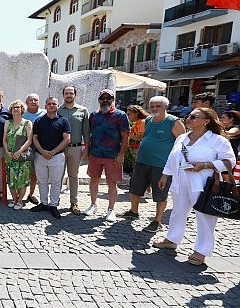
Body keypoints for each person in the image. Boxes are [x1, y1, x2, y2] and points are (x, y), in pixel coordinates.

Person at [152, 108, 235, 265]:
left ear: (206, 121)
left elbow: (229, 162)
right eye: (188, 116)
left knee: (205, 216)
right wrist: (165, 175)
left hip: (203, 182)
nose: (188, 118)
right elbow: (172, 157)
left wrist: (205, 165)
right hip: (180, 180)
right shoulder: (182, 138)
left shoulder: (218, 140)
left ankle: (201, 250)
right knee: (178, 211)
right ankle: (172, 238)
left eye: (193, 116)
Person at [117, 96, 185, 232]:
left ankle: (157, 221)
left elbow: (183, 143)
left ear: (166, 106)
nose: (154, 109)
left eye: (158, 106)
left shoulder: (174, 122)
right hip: (142, 161)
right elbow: (145, 136)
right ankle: (133, 212)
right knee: (135, 188)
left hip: (162, 164)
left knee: (160, 193)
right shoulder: (148, 120)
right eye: (152, 106)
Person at [83, 89, 130, 222]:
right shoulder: (93, 115)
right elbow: (89, 134)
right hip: (95, 154)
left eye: (108, 98)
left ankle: (111, 209)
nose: (105, 100)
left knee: (112, 183)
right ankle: (93, 205)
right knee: (94, 180)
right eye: (102, 98)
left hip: (113, 155)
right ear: (98, 100)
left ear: (112, 100)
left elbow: (125, 137)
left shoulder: (120, 115)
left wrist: (121, 155)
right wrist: (86, 150)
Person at [31, 97, 71, 219]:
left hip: (57, 156)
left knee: (55, 182)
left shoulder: (63, 121)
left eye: (54, 104)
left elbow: (67, 139)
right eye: (49, 104)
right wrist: (43, 151)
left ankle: (53, 205)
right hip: (40, 156)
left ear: (58, 106)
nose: (52, 105)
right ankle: (43, 203)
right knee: (42, 181)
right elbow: (34, 138)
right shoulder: (39, 121)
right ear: (45, 105)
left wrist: (53, 152)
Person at [58, 86, 90, 215]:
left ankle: (74, 202)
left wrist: (86, 148)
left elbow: (86, 132)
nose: (69, 95)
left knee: (73, 176)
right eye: (66, 93)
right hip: (59, 149)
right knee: (57, 176)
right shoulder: (58, 110)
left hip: (75, 148)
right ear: (63, 95)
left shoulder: (83, 110)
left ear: (75, 95)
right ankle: (55, 201)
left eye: (71, 93)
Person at [2, 99, 32, 209]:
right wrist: (6, 151)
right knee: (10, 179)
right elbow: (4, 139)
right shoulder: (7, 123)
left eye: (18, 107)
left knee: (22, 179)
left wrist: (19, 151)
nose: (15, 109)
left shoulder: (27, 123)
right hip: (9, 156)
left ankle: (20, 200)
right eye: (13, 107)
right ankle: (14, 198)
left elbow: (29, 140)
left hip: (22, 155)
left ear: (22, 109)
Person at [22, 93, 46, 205]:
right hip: (25, 147)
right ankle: (20, 194)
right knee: (23, 171)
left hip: (41, 147)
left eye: (35, 100)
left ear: (39, 102)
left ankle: (31, 194)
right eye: (30, 100)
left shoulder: (44, 113)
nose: (33, 102)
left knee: (34, 173)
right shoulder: (22, 114)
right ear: (26, 103)